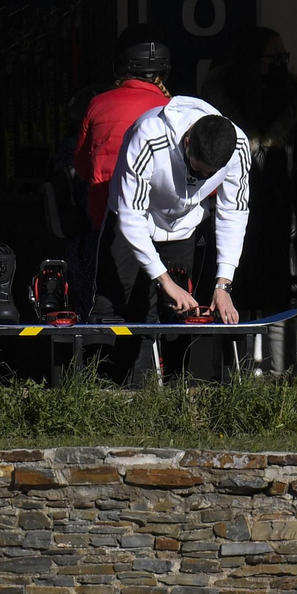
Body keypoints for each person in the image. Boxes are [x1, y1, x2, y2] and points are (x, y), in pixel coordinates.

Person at [201, 26, 297, 377]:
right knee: (230, 305)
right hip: (235, 226)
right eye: (273, 59)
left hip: (283, 229)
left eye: (284, 59)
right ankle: (229, 385)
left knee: (286, 307)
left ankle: (284, 387)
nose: (280, 66)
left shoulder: (294, 104)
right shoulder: (219, 106)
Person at [93, 96, 249, 385]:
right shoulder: (149, 135)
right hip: (131, 219)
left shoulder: (238, 145)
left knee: (179, 313)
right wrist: (164, 280)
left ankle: (176, 395)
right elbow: (131, 216)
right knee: (113, 309)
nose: (200, 178)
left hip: (184, 225)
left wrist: (223, 284)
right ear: (187, 141)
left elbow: (234, 211)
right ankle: (102, 393)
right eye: (195, 170)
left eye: (209, 175)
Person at [70, 30, 172, 310]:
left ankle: (100, 354)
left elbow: (80, 164)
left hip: (106, 219)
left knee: (107, 303)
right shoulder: (171, 108)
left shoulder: (98, 103)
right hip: (159, 223)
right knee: (151, 306)